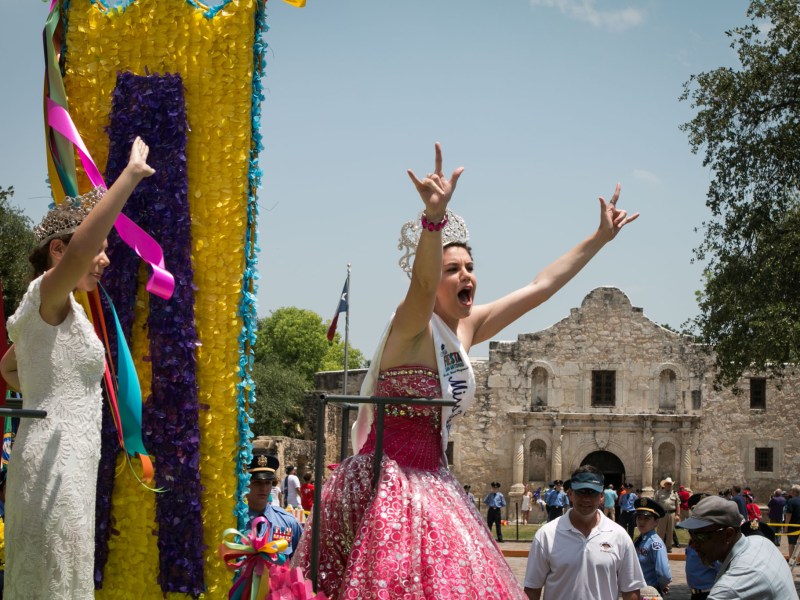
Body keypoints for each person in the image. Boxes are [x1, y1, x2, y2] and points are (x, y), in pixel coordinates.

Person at [292, 143, 638, 599]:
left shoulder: (466, 329)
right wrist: (434, 220)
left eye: (470, 267)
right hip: (390, 483)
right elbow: (420, 282)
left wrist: (597, 240)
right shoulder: (412, 325)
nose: (466, 275)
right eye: (452, 269)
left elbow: (541, 287)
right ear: (434, 276)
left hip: (436, 481)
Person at [0, 138, 153, 599]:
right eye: (97, 250)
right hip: (54, 466)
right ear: (59, 251)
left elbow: (10, 367)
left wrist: (44, 395)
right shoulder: (47, 295)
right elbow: (83, 249)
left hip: (68, 461)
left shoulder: (62, 311)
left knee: (63, 578)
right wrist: (128, 177)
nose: (103, 259)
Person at [524, 466, 645, 599]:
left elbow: (631, 590)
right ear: (570, 494)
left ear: (601, 496)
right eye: (581, 492)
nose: (586, 499)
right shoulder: (547, 535)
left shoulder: (619, 536)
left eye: (592, 493)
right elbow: (532, 589)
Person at [678, 495, 798, 599]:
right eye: (691, 534)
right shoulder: (761, 542)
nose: (693, 545)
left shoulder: (729, 589)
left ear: (728, 535)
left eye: (700, 537)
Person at [245, 451, 303, 558]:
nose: (264, 488)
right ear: (246, 484)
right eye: (257, 482)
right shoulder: (235, 522)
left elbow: (302, 561)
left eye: (268, 483)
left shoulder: (289, 522)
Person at [633, 498, 671, 595]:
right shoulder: (639, 540)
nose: (641, 522)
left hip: (649, 593)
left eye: (646, 518)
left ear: (656, 522)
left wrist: (660, 586)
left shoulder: (655, 544)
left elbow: (664, 573)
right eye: (639, 518)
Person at [654, 477, 680, 552]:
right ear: (664, 484)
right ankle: (659, 547)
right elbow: (655, 504)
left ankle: (669, 548)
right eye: (668, 484)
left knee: (670, 532)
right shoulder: (658, 493)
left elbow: (678, 504)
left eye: (670, 484)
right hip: (662, 514)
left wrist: (677, 514)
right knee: (660, 531)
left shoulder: (675, 493)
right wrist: (655, 514)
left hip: (671, 514)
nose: (669, 485)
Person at [784, 483, 800, 558]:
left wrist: (786, 526)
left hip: (792, 525)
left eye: (791, 490)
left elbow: (788, 514)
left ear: (794, 492)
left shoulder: (791, 501)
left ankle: (791, 559)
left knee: (791, 543)